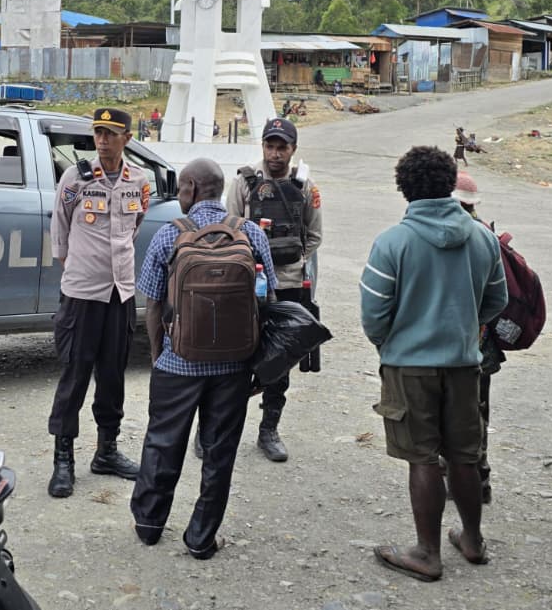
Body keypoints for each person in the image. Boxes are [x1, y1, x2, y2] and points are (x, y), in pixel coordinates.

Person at [359, 146, 508, 582]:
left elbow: (373, 314)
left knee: (422, 457)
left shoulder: (393, 242)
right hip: (464, 364)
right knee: (464, 455)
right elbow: (496, 300)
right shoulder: (482, 238)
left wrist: (394, 343)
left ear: (404, 187)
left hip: (409, 366)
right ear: (450, 182)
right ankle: (473, 541)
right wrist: (461, 329)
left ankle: (427, 552)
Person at [131, 158, 277, 560]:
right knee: (219, 453)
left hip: (178, 364)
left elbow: (153, 303)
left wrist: (160, 353)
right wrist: (258, 363)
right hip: (234, 366)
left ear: (192, 188)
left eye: (181, 189)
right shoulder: (249, 233)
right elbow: (268, 300)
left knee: (162, 443)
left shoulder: (169, 236)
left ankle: (148, 524)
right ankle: (201, 537)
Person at [47, 107, 151, 498]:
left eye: (111, 133)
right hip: (82, 294)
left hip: (119, 293)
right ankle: (63, 460)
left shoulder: (138, 182)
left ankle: (106, 451)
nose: (103, 140)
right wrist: (78, 268)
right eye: (98, 133)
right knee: (74, 377)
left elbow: (134, 227)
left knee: (112, 376)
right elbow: (60, 229)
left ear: (127, 137)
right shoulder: (76, 178)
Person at [218, 117, 323, 462]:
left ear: (293, 150)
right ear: (262, 146)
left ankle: (269, 430)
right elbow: (229, 228)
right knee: (232, 360)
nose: (275, 154)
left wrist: (291, 261)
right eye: (270, 146)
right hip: (248, 284)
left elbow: (314, 235)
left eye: (282, 147)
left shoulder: (305, 186)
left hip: (290, 286)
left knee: (278, 363)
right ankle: (216, 431)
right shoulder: (245, 181)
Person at [448, 172, 501, 503]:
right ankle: (479, 478)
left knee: (455, 413)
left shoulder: (464, 237)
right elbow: (499, 299)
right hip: (482, 344)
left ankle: (459, 477)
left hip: (460, 345)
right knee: (477, 412)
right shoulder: (487, 236)